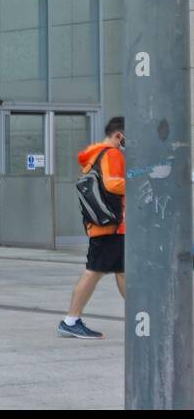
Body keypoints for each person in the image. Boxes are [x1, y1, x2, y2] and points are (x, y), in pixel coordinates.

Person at [57, 116, 125, 339]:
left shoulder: (95, 154)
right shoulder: (112, 153)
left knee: (122, 271)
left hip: (104, 225)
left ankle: (143, 316)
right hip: (110, 226)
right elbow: (112, 184)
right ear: (119, 135)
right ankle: (70, 320)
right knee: (94, 271)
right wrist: (140, 180)